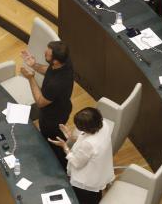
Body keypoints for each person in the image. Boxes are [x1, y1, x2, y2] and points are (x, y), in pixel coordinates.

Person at [20, 40, 74, 168]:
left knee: (51, 141)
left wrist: (31, 78)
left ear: (55, 60)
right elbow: (49, 70)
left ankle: (61, 165)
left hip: (52, 117)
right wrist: (34, 65)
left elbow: (39, 102)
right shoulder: (65, 62)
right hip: (63, 107)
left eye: (48, 54)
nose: (44, 53)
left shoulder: (55, 85)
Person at [48, 107, 114, 204]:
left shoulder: (89, 144)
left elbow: (76, 162)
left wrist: (64, 146)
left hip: (87, 181)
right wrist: (71, 136)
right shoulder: (104, 124)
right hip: (101, 170)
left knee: (85, 199)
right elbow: (86, 137)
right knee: (95, 196)